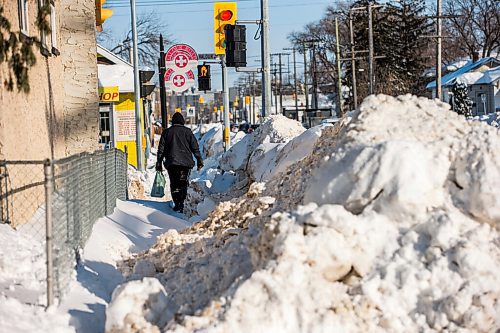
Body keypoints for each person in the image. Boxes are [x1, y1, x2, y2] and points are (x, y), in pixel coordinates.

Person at [156, 113, 203, 213]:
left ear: (173, 121)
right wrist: (199, 159)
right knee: (183, 182)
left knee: (174, 183)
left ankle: (177, 203)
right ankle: (182, 203)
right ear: (182, 121)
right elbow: (195, 147)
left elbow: (161, 149)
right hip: (185, 163)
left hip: (171, 163)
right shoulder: (188, 132)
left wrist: (159, 162)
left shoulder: (167, 132)